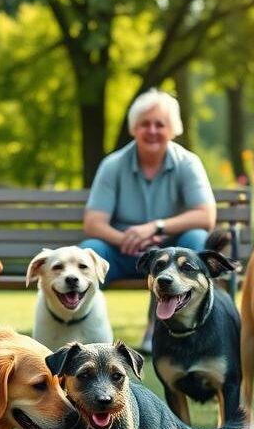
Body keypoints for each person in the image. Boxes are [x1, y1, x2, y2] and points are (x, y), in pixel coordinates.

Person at [80, 89, 216, 351]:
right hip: (123, 253)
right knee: (90, 252)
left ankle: (160, 328)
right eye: (145, 124)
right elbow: (93, 222)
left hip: (171, 259)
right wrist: (126, 239)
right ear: (134, 128)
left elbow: (206, 215)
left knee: (196, 238)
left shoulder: (188, 163)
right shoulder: (113, 165)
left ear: (173, 129)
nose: (152, 130)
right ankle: (86, 335)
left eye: (159, 124)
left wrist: (155, 227)